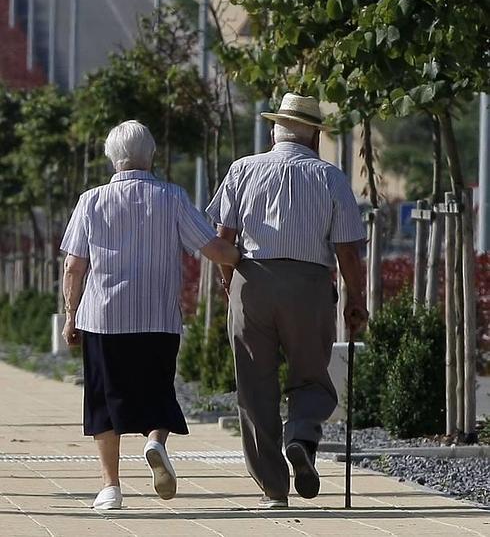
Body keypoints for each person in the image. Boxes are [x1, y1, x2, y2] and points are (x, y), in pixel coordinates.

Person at [60, 120, 240, 510]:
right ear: (152, 155)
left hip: (102, 318)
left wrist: (70, 314)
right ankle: (155, 442)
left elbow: (74, 265)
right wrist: (247, 257)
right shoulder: (172, 196)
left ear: (112, 159)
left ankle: (110, 488)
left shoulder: (90, 200)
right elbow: (211, 247)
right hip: (157, 317)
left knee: (102, 402)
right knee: (158, 391)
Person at [206, 93, 368, 509]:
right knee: (311, 375)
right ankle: (300, 436)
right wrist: (357, 301)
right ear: (314, 135)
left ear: (274, 130)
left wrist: (231, 285)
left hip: (251, 278)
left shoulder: (242, 169)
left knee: (255, 388)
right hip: (310, 283)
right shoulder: (330, 177)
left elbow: (222, 241)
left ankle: (274, 488)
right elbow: (348, 251)